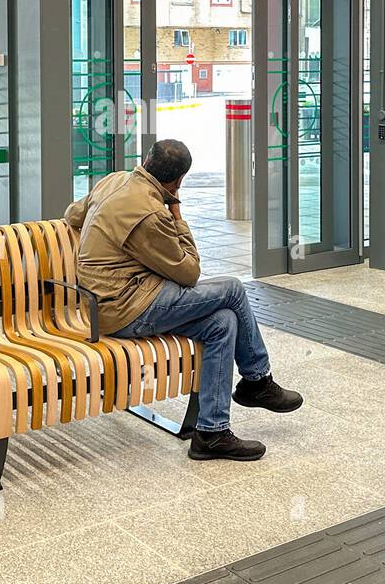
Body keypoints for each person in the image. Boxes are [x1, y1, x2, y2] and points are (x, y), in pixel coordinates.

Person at [63, 139, 302, 462]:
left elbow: (72, 214)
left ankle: (211, 432)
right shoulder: (150, 214)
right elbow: (188, 272)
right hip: (126, 308)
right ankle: (257, 380)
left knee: (223, 323)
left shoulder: (114, 181)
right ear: (178, 181)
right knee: (232, 289)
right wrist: (176, 214)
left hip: (107, 300)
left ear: (146, 160)